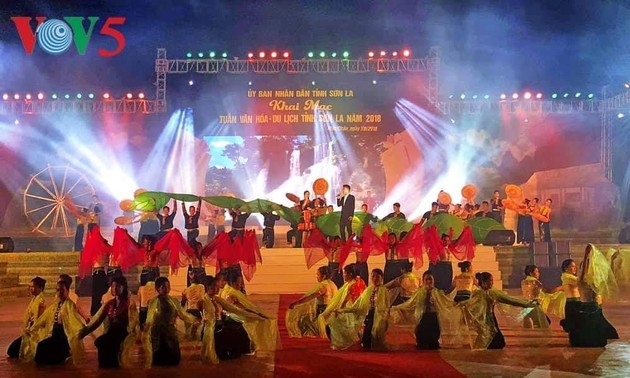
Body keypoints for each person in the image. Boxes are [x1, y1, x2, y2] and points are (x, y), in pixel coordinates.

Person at [460, 272, 542, 349]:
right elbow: (510, 300)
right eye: (490, 281)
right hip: (489, 321)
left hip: (481, 321)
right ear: (484, 282)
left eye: (492, 281)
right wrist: (529, 304)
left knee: (489, 340)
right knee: (496, 341)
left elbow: (468, 304)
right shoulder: (490, 293)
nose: (492, 283)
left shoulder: (476, 293)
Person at [79, 276, 138, 368]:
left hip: (123, 332)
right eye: (113, 286)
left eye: (118, 286)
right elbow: (97, 319)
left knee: (107, 342)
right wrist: (84, 332)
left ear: (124, 287)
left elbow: (133, 321)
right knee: (100, 341)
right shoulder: (109, 303)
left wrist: (130, 333)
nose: (115, 288)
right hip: (111, 331)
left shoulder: (129, 303)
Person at [25, 275, 86, 365]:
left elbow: (75, 322)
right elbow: (44, 318)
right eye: (58, 290)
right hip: (54, 335)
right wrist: (33, 328)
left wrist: (82, 327)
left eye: (62, 290)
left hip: (63, 338)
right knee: (40, 347)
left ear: (67, 291)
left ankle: (63, 353)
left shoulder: (70, 305)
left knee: (45, 353)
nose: (59, 292)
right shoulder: (55, 305)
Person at [390, 271, 457, 350]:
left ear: (433, 280)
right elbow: (410, 303)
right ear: (423, 280)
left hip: (433, 314)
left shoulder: (437, 292)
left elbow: (445, 300)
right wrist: (398, 307)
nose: (428, 281)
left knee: (434, 332)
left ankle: (433, 343)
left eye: (430, 279)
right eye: (426, 279)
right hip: (423, 315)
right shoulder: (419, 292)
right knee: (421, 332)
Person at [143, 277, 200, 367]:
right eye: (163, 287)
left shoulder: (173, 301)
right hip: (158, 332)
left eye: (168, 287)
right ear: (158, 288)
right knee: (158, 359)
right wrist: (147, 327)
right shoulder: (153, 302)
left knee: (173, 359)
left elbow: (182, 314)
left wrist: (194, 319)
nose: (167, 289)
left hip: (170, 331)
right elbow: (150, 317)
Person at [219, 273, 280, 352]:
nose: (240, 285)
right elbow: (241, 308)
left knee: (266, 318)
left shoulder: (232, 290)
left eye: (241, 283)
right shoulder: (230, 294)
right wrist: (255, 313)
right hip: (236, 314)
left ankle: (255, 344)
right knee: (261, 320)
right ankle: (254, 344)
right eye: (239, 283)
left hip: (240, 312)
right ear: (233, 283)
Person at [198, 275, 251, 363]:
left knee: (238, 326)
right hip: (212, 329)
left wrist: (248, 313)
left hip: (219, 325)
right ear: (208, 287)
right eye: (215, 286)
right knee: (231, 331)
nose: (218, 288)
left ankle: (242, 349)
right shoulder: (202, 301)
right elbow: (203, 316)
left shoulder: (217, 299)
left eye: (218, 286)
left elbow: (231, 308)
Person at [335, 269, 389, 350]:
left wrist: (384, 316)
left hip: (379, 315)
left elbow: (386, 305)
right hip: (370, 314)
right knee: (367, 334)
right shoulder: (369, 289)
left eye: (377, 276)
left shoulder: (384, 290)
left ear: (382, 278)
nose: (375, 279)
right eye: (373, 276)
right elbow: (359, 303)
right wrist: (343, 310)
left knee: (377, 332)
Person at [318, 264, 367, 348]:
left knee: (333, 322)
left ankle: (343, 342)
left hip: (351, 309)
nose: (343, 275)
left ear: (350, 274)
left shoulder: (351, 285)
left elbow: (345, 300)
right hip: (361, 308)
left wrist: (339, 310)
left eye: (345, 273)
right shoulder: (360, 281)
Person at [286, 266, 338, 338]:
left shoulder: (323, 286)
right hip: (333, 309)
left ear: (323, 276)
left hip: (323, 310)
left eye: (318, 275)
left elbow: (310, 297)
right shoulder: (333, 284)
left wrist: (297, 303)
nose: (317, 277)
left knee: (304, 321)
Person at [7, 277, 46, 360]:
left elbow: (39, 320)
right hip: (29, 329)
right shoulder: (34, 299)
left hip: (34, 332)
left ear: (41, 288)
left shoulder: (41, 302)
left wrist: (31, 331)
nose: (31, 289)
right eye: (31, 287)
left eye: (34, 287)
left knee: (13, 351)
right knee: (12, 350)